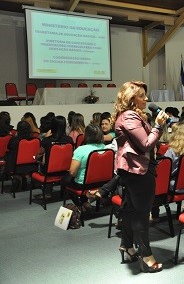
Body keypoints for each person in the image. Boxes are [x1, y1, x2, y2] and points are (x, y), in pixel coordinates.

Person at [113, 80, 168, 273]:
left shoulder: (132, 115)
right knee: (142, 213)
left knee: (130, 209)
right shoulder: (129, 117)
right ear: (131, 98)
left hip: (135, 169)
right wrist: (158, 126)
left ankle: (127, 246)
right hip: (137, 171)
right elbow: (145, 144)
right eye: (142, 95)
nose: (146, 99)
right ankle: (146, 256)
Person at [35, 116, 74, 198]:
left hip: (49, 171)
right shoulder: (69, 140)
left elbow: (39, 154)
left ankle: (47, 192)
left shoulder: (47, 140)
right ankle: (63, 192)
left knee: (40, 162)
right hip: (65, 170)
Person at [67, 124, 106, 206]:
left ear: (86, 135)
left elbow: (72, 172)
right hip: (101, 182)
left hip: (83, 184)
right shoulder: (105, 148)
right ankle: (86, 202)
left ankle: (83, 203)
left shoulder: (80, 150)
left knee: (65, 180)